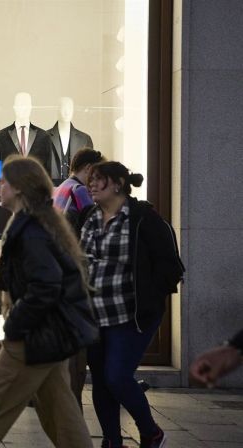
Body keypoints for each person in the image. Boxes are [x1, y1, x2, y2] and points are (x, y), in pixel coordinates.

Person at [0, 155, 93, 448]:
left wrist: (16, 325)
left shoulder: (31, 230)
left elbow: (46, 285)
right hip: (49, 335)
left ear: (18, 187)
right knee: (62, 414)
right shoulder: (35, 223)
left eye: (3, 182)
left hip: (32, 337)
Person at [81, 161, 184, 448]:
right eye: (90, 179)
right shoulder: (89, 216)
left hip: (131, 316)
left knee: (116, 376)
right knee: (101, 380)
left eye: (98, 179)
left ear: (118, 184)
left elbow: (170, 268)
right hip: (95, 314)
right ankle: (112, 441)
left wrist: (149, 298)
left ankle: (151, 432)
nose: (91, 184)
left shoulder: (143, 218)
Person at [52, 147, 104, 408]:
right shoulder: (80, 191)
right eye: (96, 172)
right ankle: (73, 400)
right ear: (87, 168)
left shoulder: (61, 188)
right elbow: (96, 224)